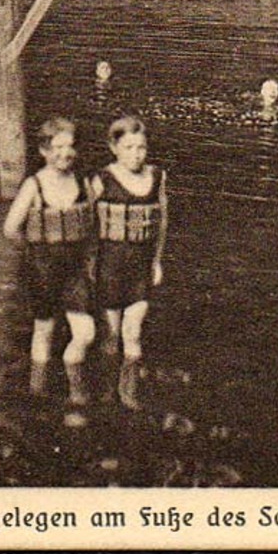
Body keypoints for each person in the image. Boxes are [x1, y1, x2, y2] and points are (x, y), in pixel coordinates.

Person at [3, 117, 97, 404]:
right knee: (44, 330)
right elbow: (10, 227)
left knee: (86, 332)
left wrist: (91, 259)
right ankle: (38, 391)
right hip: (42, 266)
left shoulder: (83, 182)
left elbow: (93, 223)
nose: (64, 154)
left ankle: (74, 382)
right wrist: (33, 251)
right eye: (57, 147)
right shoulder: (34, 185)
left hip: (75, 268)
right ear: (44, 150)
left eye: (69, 147)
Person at [89, 114, 168, 411]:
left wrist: (157, 261)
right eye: (129, 147)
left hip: (140, 265)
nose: (136, 154)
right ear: (114, 148)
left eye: (141, 148)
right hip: (109, 265)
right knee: (110, 336)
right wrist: (88, 262)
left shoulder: (156, 177)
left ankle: (130, 396)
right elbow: (87, 221)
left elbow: (162, 221)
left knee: (133, 332)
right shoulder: (102, 179)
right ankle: (108, 396)